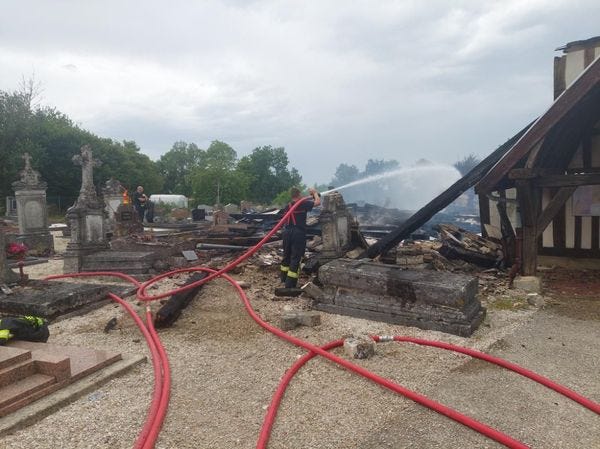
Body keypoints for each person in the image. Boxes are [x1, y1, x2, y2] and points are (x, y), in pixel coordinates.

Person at [279, 187, 321, 289]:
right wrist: (315, 193)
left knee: (286, 256)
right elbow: (317, 203)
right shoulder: (302, 203)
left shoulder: (287, 206)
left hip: (286, 232)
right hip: (297, 233)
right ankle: (290, 285)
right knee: (295, 257)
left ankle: (283, 279)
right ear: (298, 194)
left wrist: (313, 196)